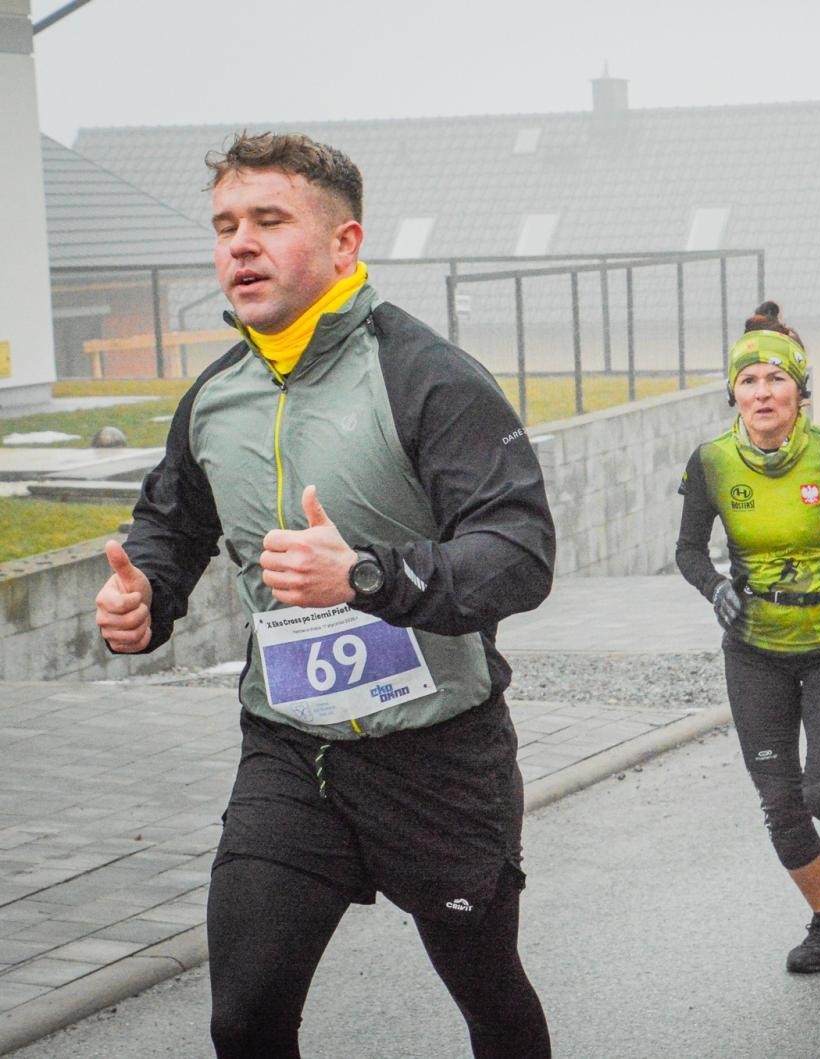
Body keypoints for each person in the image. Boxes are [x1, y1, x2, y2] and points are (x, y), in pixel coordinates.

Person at [92, 132, 556, 1057]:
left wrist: (368, 574)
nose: (240, 245)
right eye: (225, 225)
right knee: (245, 1014)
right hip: (291, 754)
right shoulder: (217, 396)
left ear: (345, 244)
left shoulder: (428, 377)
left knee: (491, 1000)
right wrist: (145, 599)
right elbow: (170, 529)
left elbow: (519, 552)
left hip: (438, 759)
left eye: (269, 220)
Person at [676, 304, 820, 975]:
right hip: (754, 648)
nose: (761, 393)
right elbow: (690, 549)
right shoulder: (713, 463)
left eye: (775, 380)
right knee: (781, 802)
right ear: (733, 393)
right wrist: (713, 585)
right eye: (748, 381)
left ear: (799, 391)